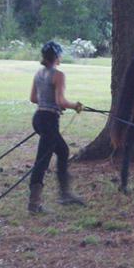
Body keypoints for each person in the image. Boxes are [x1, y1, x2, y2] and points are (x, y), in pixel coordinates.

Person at [28, 41, 85, 213]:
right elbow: (61, 101)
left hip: (39, 118)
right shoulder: (58, 75)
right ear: (57, 57)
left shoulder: (39, 74)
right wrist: (75, 105)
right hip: (49, 121)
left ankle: (65, 194)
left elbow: (33, 98)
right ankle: (34, 203)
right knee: (42, 161)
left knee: (63, 151)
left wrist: (51, 103)